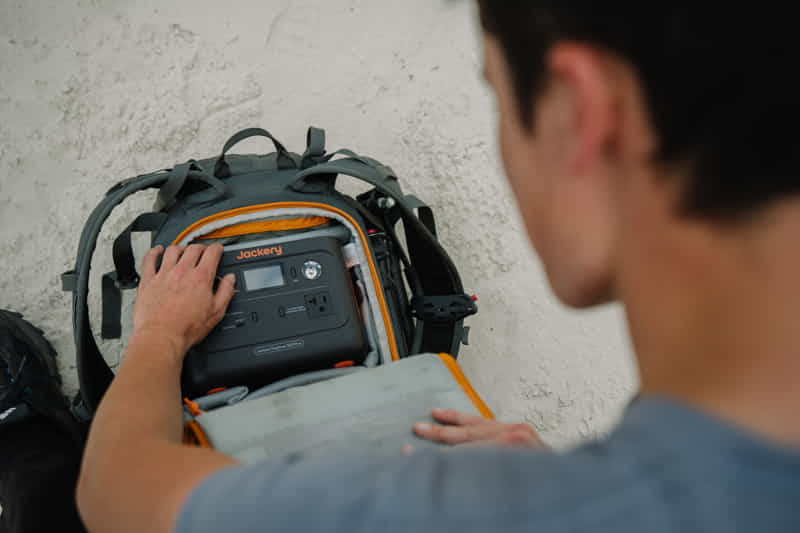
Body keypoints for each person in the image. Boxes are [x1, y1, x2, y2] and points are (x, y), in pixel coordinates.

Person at [3, 2, 800, 531]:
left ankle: (27, 439)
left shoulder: (434, 512)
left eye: (497, 96)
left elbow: (116, 491)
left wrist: (157, 336)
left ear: (576, 113)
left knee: (51, 501)